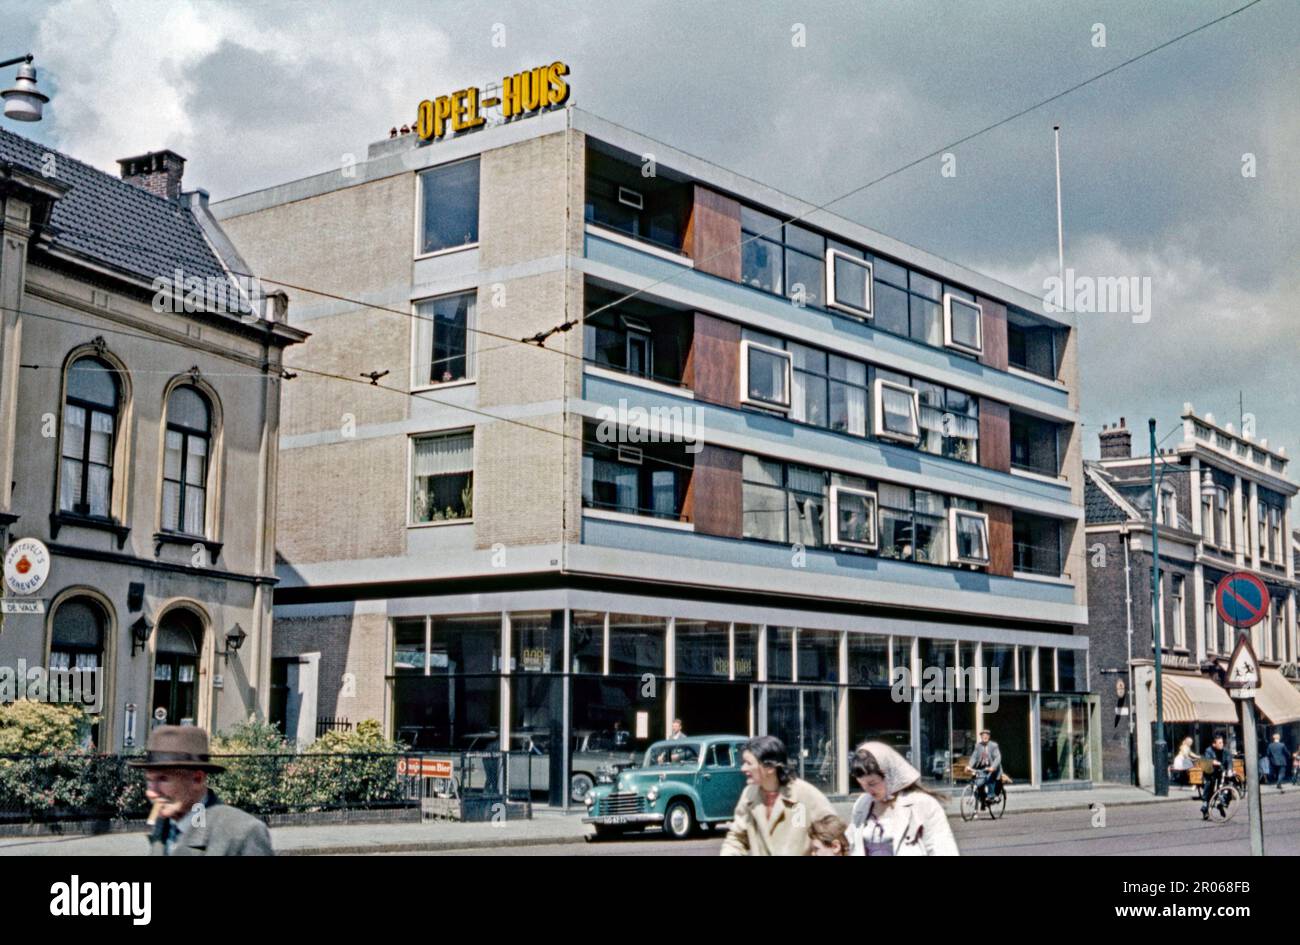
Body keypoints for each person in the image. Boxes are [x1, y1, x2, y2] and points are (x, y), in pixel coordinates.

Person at [130, 725, 273, 856]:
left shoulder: (243, 833)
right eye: (149, 780)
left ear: (197, 779)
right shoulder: (164, 825)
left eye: (163, 779)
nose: (151, 792)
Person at [721, 735, 836, 856]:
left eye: (749, 763)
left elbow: (835, 838)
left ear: (770, 767)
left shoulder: (805, 794)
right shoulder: (749, 794)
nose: (743, 768)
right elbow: (737, 838)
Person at [848, 742, 959, 856]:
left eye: (872, 783)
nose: (867, 790)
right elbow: (851, 844)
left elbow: (943, 849)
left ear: (890, 776)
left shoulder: (923, 804)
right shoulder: (862, 804)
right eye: (862, 784)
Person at [968, 730, 1002, 805]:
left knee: (989, 777)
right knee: (975, 779)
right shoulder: (978, 746)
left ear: (989, 737)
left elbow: (998, 757)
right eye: (983, 736)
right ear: (981, 737)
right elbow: (974, 757)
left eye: (986, 735)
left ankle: (991, 795)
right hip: (983, 767)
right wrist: (969, 766)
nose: (985, 737)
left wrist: (992, 767)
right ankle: (981, 797)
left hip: (994, 767)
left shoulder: (994, 745)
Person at [1200, 733, 1228, 820]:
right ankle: (1205, 809)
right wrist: (1215, 762)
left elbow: (1229, 759)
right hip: (1210, 773)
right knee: (1209, 789)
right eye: (1219, 743)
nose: (1222, 744)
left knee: (1227, 788)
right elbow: (1208, 760)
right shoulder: (1208, 750)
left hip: (1220, 773)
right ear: (1214, 744)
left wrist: (1230, 769)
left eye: (1222, 742)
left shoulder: (1224, 751)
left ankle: (1221, 805)